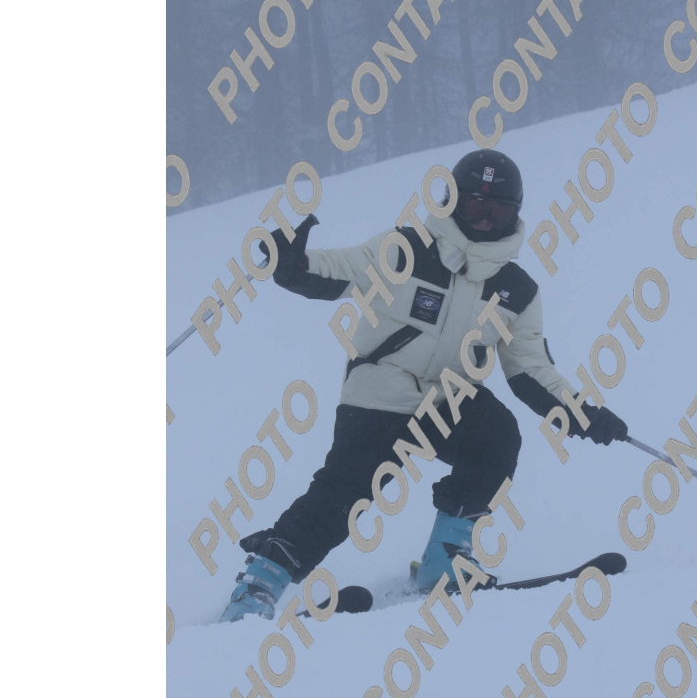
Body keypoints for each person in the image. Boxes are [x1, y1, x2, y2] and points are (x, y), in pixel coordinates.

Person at [221, 150, 628, 622]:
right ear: (452, 202)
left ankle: (445, 561)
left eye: (497, 210)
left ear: (515, 214)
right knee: (347, 492)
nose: (484, 218)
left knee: (497, 434)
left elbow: (530, 369)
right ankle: (259, 584)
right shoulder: (405, 250)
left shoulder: (516, 289)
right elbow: (341, 269)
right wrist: (293, 264)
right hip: (379, 394)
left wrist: (579, 411)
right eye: (475, 204)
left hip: (447, 400)